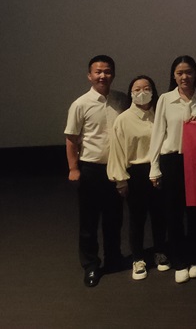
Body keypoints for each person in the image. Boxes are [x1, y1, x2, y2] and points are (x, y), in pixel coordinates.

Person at [149, 55, 196, 283]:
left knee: (195, 212)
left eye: (188, 72)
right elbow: (158, 133)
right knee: (173, 213)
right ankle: (179, 261)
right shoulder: (165, 99)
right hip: (172, 161)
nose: (184, 77)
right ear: (173, 76)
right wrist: (154, 167)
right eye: (179, 73)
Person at [64, 55, 128, 287]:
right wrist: (73, 168)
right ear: (89, 75)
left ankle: (114, 258)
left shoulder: (122, 100)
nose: (103, 76)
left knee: (114, 218)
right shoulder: (80, 104)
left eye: (107, 71)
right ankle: (91, 265)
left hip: (116, 169)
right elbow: (71, 139)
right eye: (98, 71)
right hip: (91, 169)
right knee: (89, 222)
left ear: (113, 74)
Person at [108, 75, 168, 281]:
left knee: (159, 215)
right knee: (137, 218)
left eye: (146, 88)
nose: (142, 93)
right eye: (137, 89)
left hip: (159, 170)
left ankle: (160, 251)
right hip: (136, 173)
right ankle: (138, 258)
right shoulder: (123, 119)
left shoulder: (159, 115)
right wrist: (121, 180)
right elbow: (117, 152)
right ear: (131, 93)